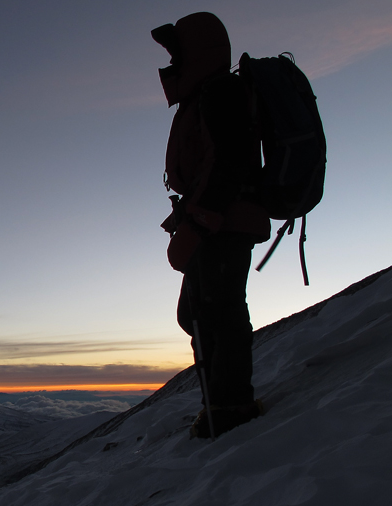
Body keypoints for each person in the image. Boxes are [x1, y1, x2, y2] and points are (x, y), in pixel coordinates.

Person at [151, 12, 270, 438]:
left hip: (226, 221)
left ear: (196, 51)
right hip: (214, 221)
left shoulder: (221, 92)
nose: (170, 61)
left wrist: (198, 223)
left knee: (219, 311)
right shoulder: (203, 95)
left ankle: (231, 407)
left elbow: (230, 162)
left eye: (175, 51)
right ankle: (218, 403)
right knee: (197, 313)